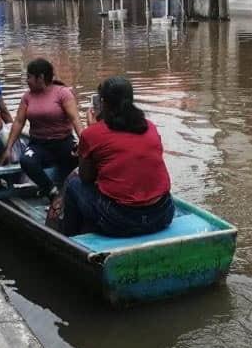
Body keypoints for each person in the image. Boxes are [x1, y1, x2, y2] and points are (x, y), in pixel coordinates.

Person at [60, 76, 175, 237]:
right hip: (163, 214)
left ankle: (70, 238)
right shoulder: (150, 127)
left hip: (120, 221)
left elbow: (86, 177)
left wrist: (90, 131)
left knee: (73, 185)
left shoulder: (92, 133)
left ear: (103, 103)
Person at [0, 58, 82, 212]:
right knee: (26, 161)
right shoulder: (27, 97)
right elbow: (18, 122)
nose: (27, 80)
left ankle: (67, 194)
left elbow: (75, 119)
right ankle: (52, 193)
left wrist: (84, 142)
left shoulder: (63, 93)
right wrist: (8, 148)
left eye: (29, 77)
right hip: (39, 144)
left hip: (63, 142)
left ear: (40, 77)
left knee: (78, 160)